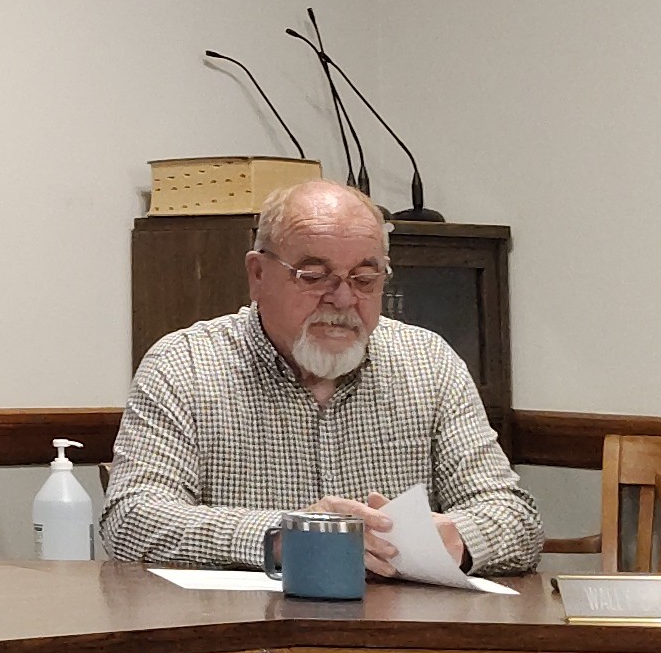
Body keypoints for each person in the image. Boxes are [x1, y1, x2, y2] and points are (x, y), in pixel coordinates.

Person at [104, 181, 541, 576]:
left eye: (365, 279)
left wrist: (457, 538)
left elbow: (515, 518)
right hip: (247, 629)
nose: (344, 298)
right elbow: (132, 520)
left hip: (401, 629)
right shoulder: (184, 366)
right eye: (314, 276)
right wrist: (286, 536)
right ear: (258, 275)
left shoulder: (428, 363)